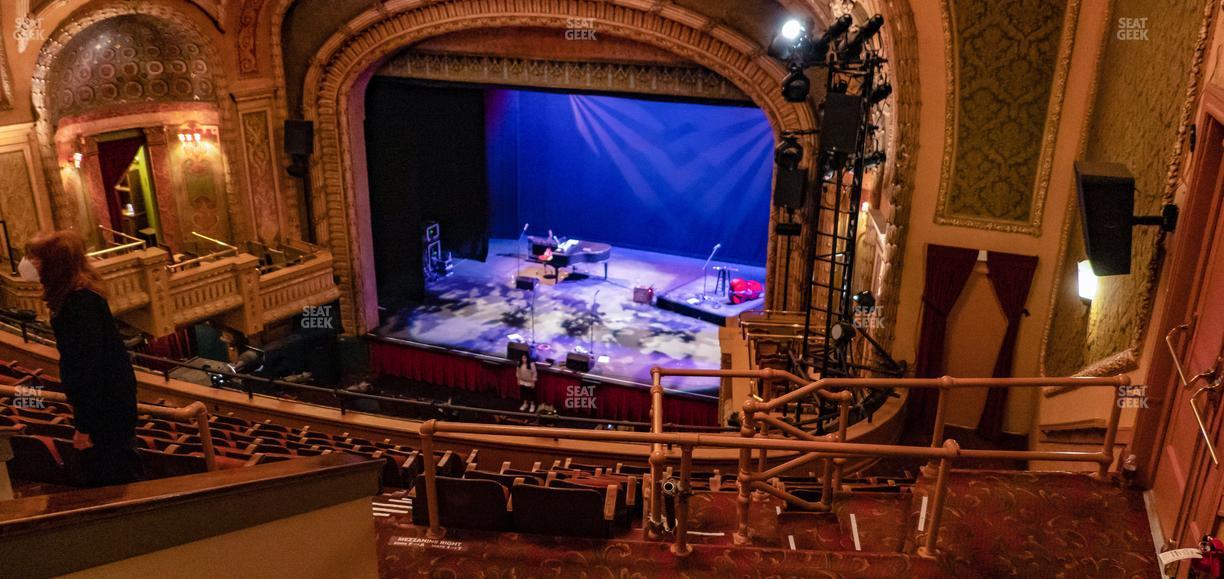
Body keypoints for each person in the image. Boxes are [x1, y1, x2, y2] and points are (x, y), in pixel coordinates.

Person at [23, 230, 143, 487]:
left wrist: (85, 427)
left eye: (37, 259)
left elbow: (89, 368)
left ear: (55, 264)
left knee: (113, 478)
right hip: (109, 403)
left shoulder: (78, 304)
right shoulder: (79, 296)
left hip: (105, 409)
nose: (30, 265)